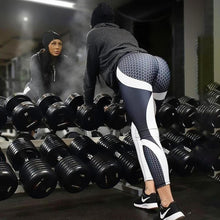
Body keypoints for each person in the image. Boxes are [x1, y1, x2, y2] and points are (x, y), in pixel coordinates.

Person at [83, 3, 185, 220]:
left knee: (148, 134)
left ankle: (168, 205)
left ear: (94, 20)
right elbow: (123, 73)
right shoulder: (125, 33)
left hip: (134, 68)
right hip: (157, 65)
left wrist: (88, 105)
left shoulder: (94, 34)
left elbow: (90, 74)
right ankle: (150, 192)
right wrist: (119, 101)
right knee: (143, 131)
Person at [24, 30, 74, 102]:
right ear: (47, 44)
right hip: (34, 94)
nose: (57, 47)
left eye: (60, 44)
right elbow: (38, 83)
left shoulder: (65, 60)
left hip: (55, 95)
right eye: (53, 43)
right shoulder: (36, 59)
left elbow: (68, 82)